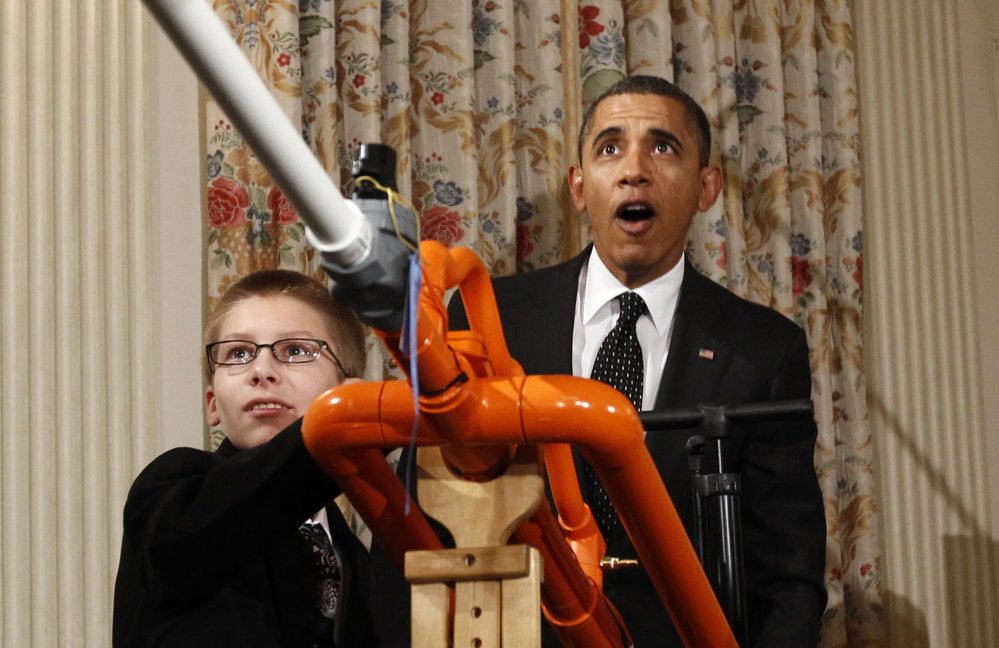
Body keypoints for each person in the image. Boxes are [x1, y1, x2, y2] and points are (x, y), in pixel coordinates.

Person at [450, 75, 826, 646]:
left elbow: (787, 578)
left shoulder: (763, 349)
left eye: (663, 147)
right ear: (578, 186)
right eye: (609, 148)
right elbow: (429, 521)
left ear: (707, 187)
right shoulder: (489, 317)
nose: (634, 170)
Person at [113, 269, 386, 647]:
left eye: (295, 351)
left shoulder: (354, 550)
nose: (261, 371)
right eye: (238, 353)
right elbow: (224, 520)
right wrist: (335, 429)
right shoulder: (173, 489)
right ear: (212, 404)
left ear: (346, 384)